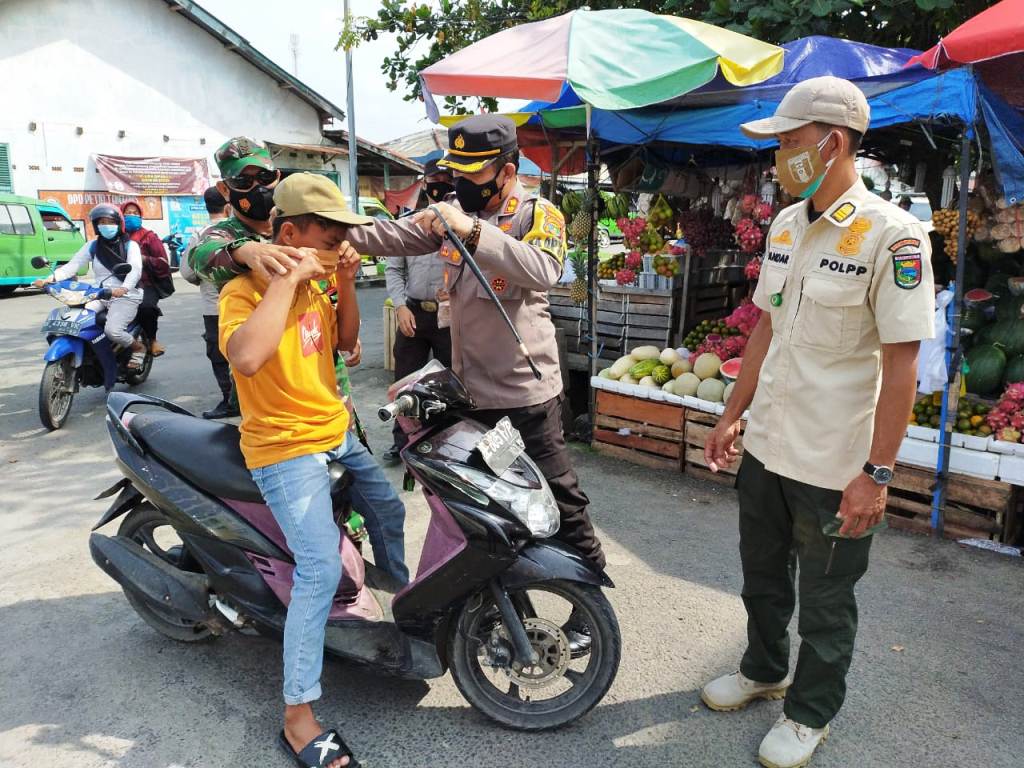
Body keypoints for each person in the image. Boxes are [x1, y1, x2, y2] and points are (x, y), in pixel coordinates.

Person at [190, 117, 606, 655]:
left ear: (506, 172)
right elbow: (380, 235)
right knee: (478, 504)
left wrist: (472, 229)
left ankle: (585, 602)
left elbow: (545, 270)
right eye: (455, 172)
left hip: (525, 391)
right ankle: (480, 598)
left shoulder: (536, 213)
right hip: (470, 393)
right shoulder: (445, 216)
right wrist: (297, 240)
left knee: (559, 500)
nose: (461, 183)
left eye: (474, 173)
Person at [701, 77, 935, 768]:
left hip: (836, 464)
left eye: (790, 143)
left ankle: (810, 713)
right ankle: (764, 668)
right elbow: (767, 329)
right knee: (762, 578)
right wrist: (732, 413)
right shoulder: (784, 224)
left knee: (828, 604)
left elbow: (901, 368)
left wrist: (878, 474)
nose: (778, 158)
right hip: (769, 447)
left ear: (833, 144)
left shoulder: (893, 236)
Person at [219, 172, 408, 768]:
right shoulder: (243, 293)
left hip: (334, 431)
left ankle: (403, 611)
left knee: (390, 507)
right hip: (282, 448)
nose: (340, 244)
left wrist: (345, 281)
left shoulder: (323, 287)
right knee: (319, 567)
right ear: (292, 232)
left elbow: (346, 344)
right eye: (330, 236)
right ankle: (298, 714)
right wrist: (291, 276)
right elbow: (247, 357)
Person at [382, 158, 453, 463]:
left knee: (450, 382)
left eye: (445, 180)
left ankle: (446, 443)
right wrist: (399, 307)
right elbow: (394, 270)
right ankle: (403, 442)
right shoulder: (408, 223)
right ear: (424, 184)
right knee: (404, 381)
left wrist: (456, 290)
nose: (438, 186)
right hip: (413, 312)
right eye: (433, 180)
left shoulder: (462, 224)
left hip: (449, 317)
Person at [34, 204, 146, 369]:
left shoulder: (131, 246)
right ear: (96, 225)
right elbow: (73, 266)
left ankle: (138, 348)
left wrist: (124, 288)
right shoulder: (92, 246)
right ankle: (93, 352)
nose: (106, 225)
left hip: (126, 295)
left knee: (113, 331)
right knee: (76, 322)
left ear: (118, 223)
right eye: (101, 222)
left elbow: (135, 270)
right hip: (100, 293)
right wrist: (49, 278)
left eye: (110, 221)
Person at [180, 187, 238, 419]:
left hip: (214, 307)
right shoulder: (239, 230)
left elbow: (186, 271)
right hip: (247, 303)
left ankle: (230, 400)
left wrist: (204, 281)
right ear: (228, 206)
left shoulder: (201, 234)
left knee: (219, 354)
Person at [121, 201, 171, 357]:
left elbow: (163, 263)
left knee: (146, 307)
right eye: (128, 213)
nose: (132, 216)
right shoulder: (117, 238)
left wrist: (143, 259)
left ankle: (152, 340)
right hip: (119, 283)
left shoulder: (149, 237)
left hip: (145, 283)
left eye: (135, 213)